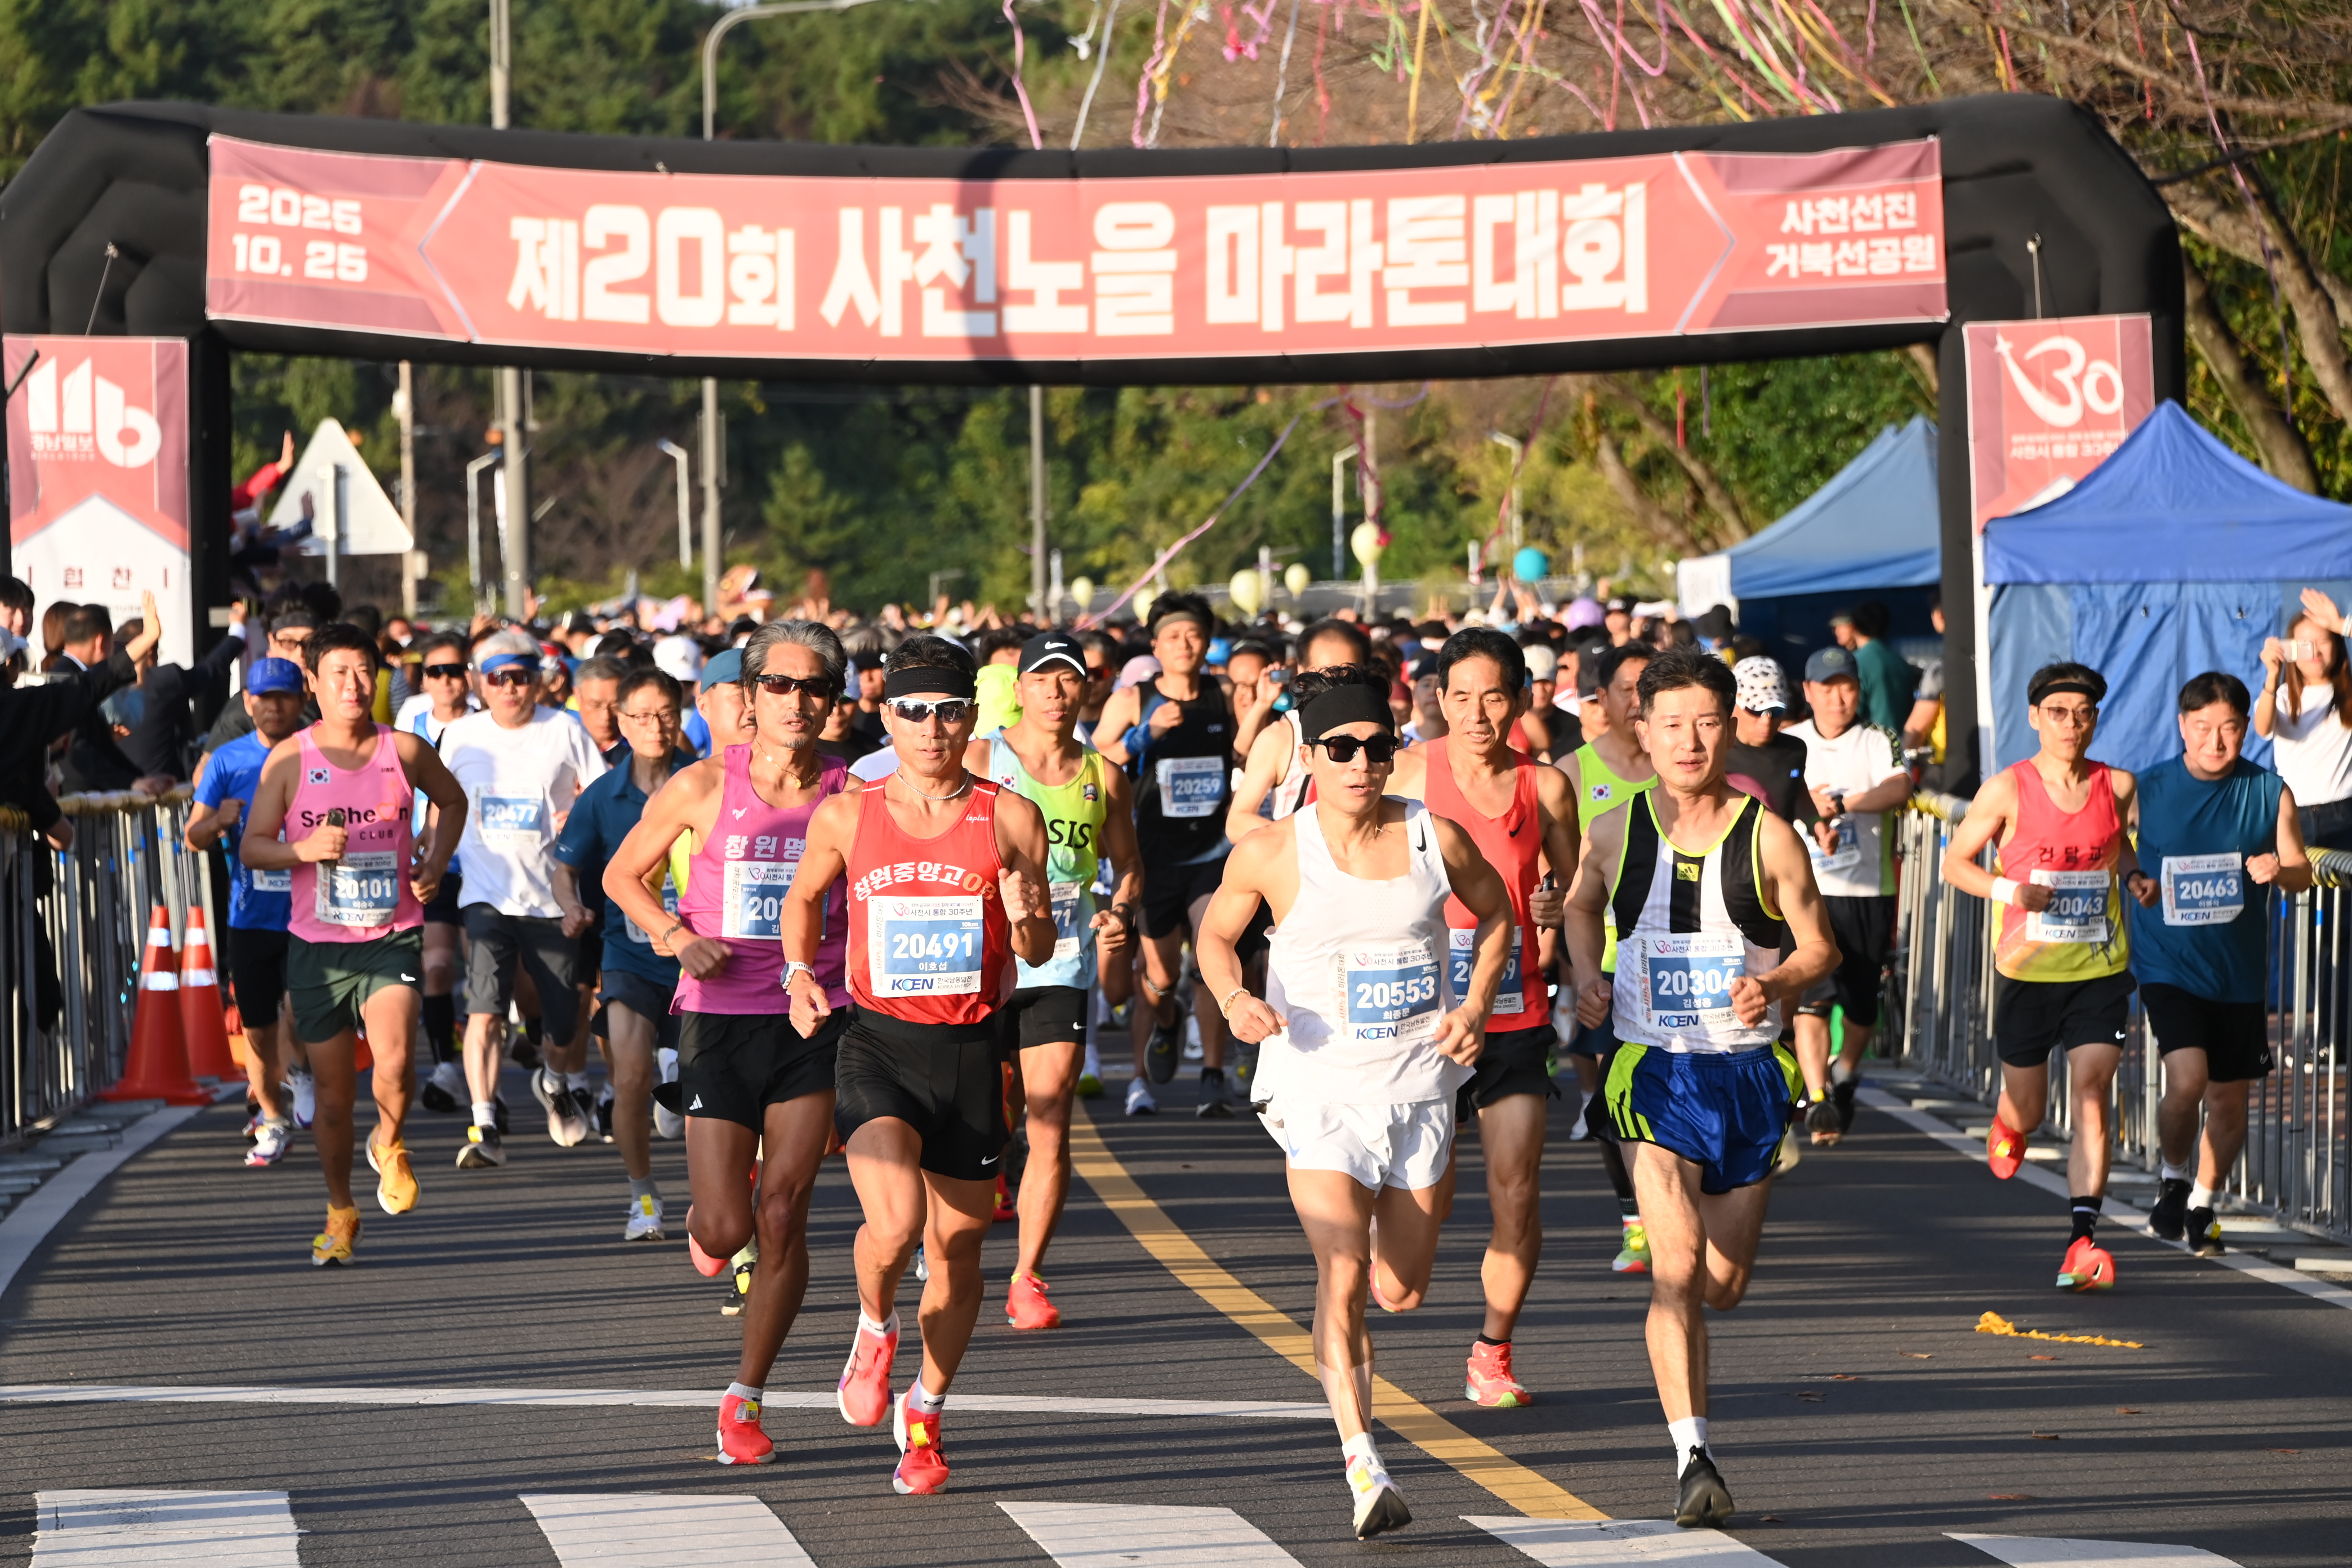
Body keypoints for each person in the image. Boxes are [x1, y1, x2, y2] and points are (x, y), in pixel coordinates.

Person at [1196, 663, 1514, 1539]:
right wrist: (1235, 999)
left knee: (1401, 1291)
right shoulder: (1271, 850)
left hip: (1418, 1090)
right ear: (1308, 754)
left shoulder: (1434, 837)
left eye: (1378, 746)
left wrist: (1476, 1007)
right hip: (1318, 1092)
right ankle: (1363, 1461)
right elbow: (1215, 936)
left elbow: (1498, 916)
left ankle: (1380, 1247)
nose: (1361, 763)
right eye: (1340, 748)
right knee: (1339, 1271)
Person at [1563, 647, 1837, 1527]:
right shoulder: (1615, 830)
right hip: (1653, 1072)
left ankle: (1695, 1438)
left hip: (1748, 1076)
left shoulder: (1769, 836)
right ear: (1641, 730)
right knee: (1674, 1269)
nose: (1688, 741)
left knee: (1723, 1284)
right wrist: (1586, 975)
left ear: (1730, 730)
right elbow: (1579, 904)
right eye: (1671, 723)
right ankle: (1693, 1457)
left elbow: (1821, 946)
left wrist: (1777, 983)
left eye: (1707, 723)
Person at [783, 633, 1057, 1496]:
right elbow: (803, 898)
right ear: (887, 718)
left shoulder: (1010, 817)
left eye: (946, 712)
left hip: (971, 1054)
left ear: (971, 719)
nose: (930, 728)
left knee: (960, 1250)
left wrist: (1026, 916)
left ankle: (927, 1413)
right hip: (878, 1046)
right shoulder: (848, 812)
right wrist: (798, 974)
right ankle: (874, 1325)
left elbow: (1038, 948)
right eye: (912, 711)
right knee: (896, 1224)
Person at [605, 623, 857, 1462]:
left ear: (833, 701)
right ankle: (709, 1222)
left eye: (813, 687)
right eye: (778, 685)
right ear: (750, 697)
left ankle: (745, 1398)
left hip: (812, 1017)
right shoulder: (704, 784)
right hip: (717, 1015)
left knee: (782, 1212)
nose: (795, 701)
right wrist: (677, 936)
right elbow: (621, 876)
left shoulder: (853, 796)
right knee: (723, 1228)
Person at [1383, 630, 1580, 1409]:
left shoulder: (1546, 787)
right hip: (1420, 1020)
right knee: (1422, 1210)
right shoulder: (1406, 772)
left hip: (1513, 1010)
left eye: (1493, 696)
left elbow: (1570, 886)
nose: (1476, 714)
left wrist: (1558, 911)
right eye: (1460, 696)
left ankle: (1492, 1352)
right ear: (1438, 698)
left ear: (1521, 700)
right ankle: (1397, 1247)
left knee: (1518, 1189)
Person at [238, 623, 466, 1264]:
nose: (354, 685)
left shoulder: (405, 750)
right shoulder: (290, 760)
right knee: (335, 1102)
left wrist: (433, 859)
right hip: (318, 948)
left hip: (391, 935)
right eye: (338, 672)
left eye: (364, 671)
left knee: (395, 1061)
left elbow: (452, 802)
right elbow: (253, 845)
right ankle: (341, 1209)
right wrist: (303, 849)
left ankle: (389, 1141)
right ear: (312, 681)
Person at [1940, 662, 2143, 1292]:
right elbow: (1954, 864)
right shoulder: (2007, 789)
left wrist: (2136, 877)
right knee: (2028, 1109)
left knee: (2092, 1095)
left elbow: (2118, 849)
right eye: (2058, 713)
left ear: (2095, 720)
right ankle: (2010, 1122)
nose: (2070, 725)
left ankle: (2083, 1241)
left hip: (2099, 970)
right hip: (2028, 974)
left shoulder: (2118, 784)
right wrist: (2011, 891)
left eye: (2082, 714)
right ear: (2035, 717)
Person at [969, 630, 1142, 1330]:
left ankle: (1026, 1276)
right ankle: (946, 1232)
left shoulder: (1106, 776)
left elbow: (1128, 865)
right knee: (974, 1117)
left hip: (1061, 961)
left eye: (1068, 679)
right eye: (1042, 678)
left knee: (1051, 1118)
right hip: (981, 963)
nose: (1056, 692)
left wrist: (1120, 911)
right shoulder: (982, 759)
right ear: (1020, 687)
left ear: (1087, 689)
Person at [2127, 672, 2310, 1256]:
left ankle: (2203, 1205)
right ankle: (2173, 1175)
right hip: (2168, 964)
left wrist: (2279, 870)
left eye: (2229, 728)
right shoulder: (2147, 788)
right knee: (2187, 1080)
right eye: (2203, 728)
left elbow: (2302, 868)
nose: (2216, 741)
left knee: (2230, 1101)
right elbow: (2112, 842)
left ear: (2245, 729)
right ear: (2182, 727)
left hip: (2237, 972)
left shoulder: (2269, 791)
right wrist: (2134, 877)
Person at [440, 630, 608, 1165]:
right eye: (498, 678)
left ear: (539, 681)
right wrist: (428, 855)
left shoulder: (565, 729)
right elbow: (440, 804)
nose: (510, 688)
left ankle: (553, 1079)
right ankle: (484, 1123)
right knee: (484, 1011)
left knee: (562, 1021)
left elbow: (601, 797)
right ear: (479, 684)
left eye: (521, 677)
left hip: (552, 898)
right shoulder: (460, 736)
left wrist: (577, 814)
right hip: (484, 896)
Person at [556, 665, 696, 1240]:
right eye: (641, 716)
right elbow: (565, 868)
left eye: (665, 714)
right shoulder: (602, 795)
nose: (655, 727)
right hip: (628, 956)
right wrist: (571, 906)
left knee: (702, 1093)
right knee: (632, 1077)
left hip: (702, 963)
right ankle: (643, 1195)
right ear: (620, 720)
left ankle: (716, 1202)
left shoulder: (706, 782)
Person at [1094, 595, 1242, 1115]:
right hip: (1154, 856)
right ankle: (1166, 1021)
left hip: (1212, 855)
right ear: (1156, 646)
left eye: (1194, 635)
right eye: (1173, 636)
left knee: (1211, 962)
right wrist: (1145, 736)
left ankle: (1212, 1077)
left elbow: (1248, 747)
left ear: (1207, 642)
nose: (1184, 644)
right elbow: (1093, 762)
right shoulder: (1132, 700)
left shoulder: (1224, 693)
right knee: (1158, 979)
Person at [1782, 645, 1911, 1145]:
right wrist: (1806, 806)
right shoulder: (1791, 742)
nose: (1838, 699)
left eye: (1848, 688)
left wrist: (1842, 804)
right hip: (1806, 893)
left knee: (1860, 1006)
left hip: (1867, 891)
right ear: (1808, 692)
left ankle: (1846, 1073)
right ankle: (1819, 1099)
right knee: (1813, 999)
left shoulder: (1877, 739)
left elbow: (1900, 789)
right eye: (1828, 688)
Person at [186, 657, 311, 1166]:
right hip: (250, 917)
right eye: (263, 698)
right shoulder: (227, 760)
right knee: (257, 1032)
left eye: (284, 697)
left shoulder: (318, 752)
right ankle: (274, 1120)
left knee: (301, 1009)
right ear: (248, 702)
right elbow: (193, 837)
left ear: (302, 701)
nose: (273, 707)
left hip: (308, 913)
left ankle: (301, 1070)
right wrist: (218, 820)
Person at [1562, 642, 1656, 1273]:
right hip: (1607, 958)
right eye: (1628, 689)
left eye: (1651, 689)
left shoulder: (1682, 764)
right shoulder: (1573, 771)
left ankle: (1680, 1209)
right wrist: (1579, 968)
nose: (1639, 702)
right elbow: (1560, 874)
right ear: (1602, 697)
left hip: (1678, 960)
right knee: (1611, 1097)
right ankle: (1635, 1220)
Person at [400, 632, 479, 1113]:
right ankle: (446, 1066)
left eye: (454, 670)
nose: (446, 680)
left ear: (468, 676)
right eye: (436, 671)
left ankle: (491, 1066)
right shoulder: (410, 725)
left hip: (484, 864)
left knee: (488, 979)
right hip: (434, 864)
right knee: (436, 967)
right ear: (424, 678)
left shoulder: (486, 722)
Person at [2255, 589, 2352, 851]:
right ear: (2291, 652)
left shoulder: (2349, 694)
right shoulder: (2281, 696)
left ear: (2337, 644)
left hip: (2345, 813)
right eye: (2305, 645)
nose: (2315, 651)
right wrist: (2272, 677)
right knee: (2297, 878)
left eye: (2324, 640)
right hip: (2293, 814)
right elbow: (2262, 728)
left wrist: (2342, 625)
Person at [1845, 601, 1916, 734]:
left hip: (1869, 741)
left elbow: (1851, 713)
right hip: (1902, 741)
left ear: (1853, 627)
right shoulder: (1902, 664)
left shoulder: (1853, 664)